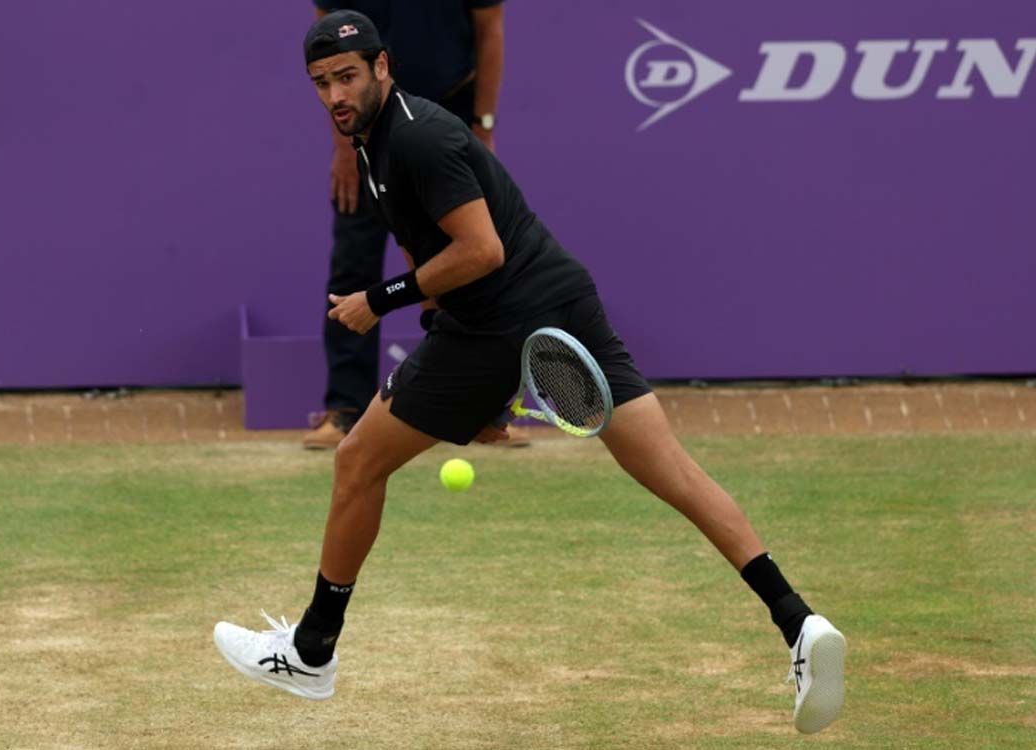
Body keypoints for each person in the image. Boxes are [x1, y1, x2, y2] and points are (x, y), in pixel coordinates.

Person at [215, 11, 847, 735]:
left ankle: (312, 650)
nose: (335, 94)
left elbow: (479, 251)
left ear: (383, 68)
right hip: (559, 301)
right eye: (322, 82)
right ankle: (798, 622)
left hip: (497, 323)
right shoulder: (377, 141)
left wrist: (379, 301)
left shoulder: (417, 138)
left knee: (358, 460)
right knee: (674, 471)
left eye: (348, 77)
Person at [301, 0, 531, 449]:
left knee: (473, 268)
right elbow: (327, 55)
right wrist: (345, 143)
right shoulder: (347, 98)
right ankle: (347, 408)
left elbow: (490, 29)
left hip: (448, 114)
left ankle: (489, 407)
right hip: (366, 123)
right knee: (354, 264)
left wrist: (482, 127)